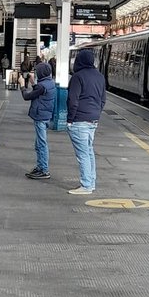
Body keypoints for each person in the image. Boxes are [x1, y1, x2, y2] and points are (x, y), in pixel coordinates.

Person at [66, 47, 106, 195]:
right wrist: (96, 112)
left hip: (79, 120)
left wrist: (70, 119)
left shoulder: (78, 77)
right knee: (89, 152)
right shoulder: (100, 76)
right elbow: (103, 100)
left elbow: (73, 100)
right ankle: (91, 182)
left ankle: (86, 185)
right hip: (93, 120)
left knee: (82, 154)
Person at [22, 60, 56, 180]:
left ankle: (44, 170)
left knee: (41, 144)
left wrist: (22, 85)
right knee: (39, 144)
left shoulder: (42, 86)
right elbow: (41, 92)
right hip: (45, 116)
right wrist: (33, 83)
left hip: (40, 117)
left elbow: (27, 96)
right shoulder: (50, 83)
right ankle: (40, 166)